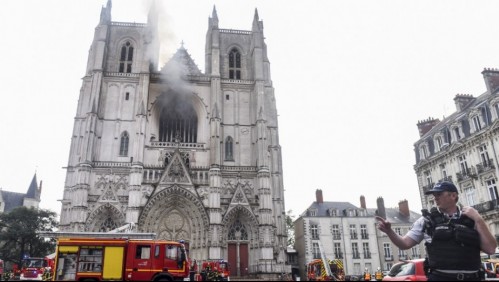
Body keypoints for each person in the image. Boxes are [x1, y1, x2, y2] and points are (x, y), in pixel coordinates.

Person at [376, 181, 497, 281]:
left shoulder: (471, 218)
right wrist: (389, 231)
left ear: (453, 195)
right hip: (440, 277)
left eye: (439, 194)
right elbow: (405, 243)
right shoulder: (426, 220)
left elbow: (491, 249)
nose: (435, 197)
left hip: (472, 277)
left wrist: (479, 219)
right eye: (434, 194)